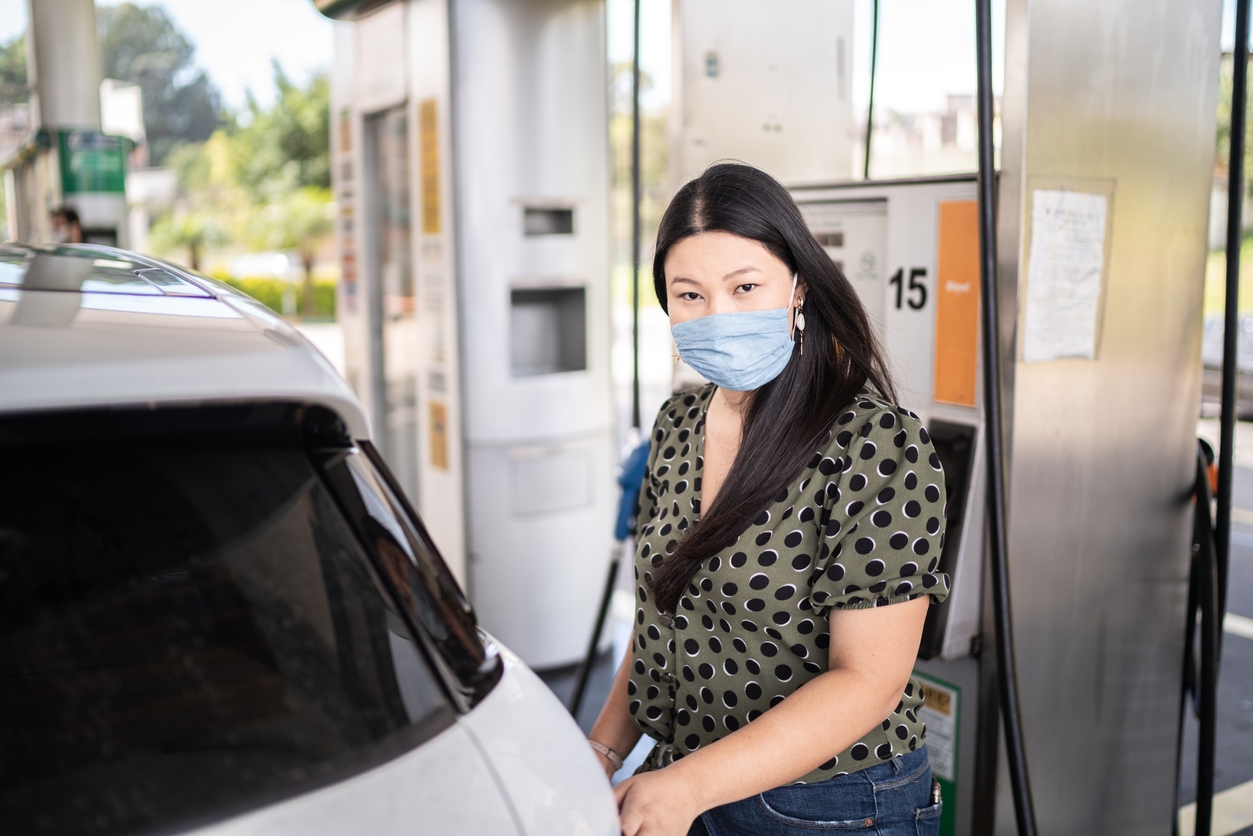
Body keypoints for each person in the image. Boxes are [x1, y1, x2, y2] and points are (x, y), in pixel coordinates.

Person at [587, 163, 950, 836]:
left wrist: (686, 785)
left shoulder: (874, 445)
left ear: (798, 287)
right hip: (681, 780)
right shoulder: (677, 423)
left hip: (828, 803)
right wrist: (600, 751)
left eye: (744, 286)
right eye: (689, 295)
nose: (717, 315)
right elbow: (662, 617)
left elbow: (866, 681)